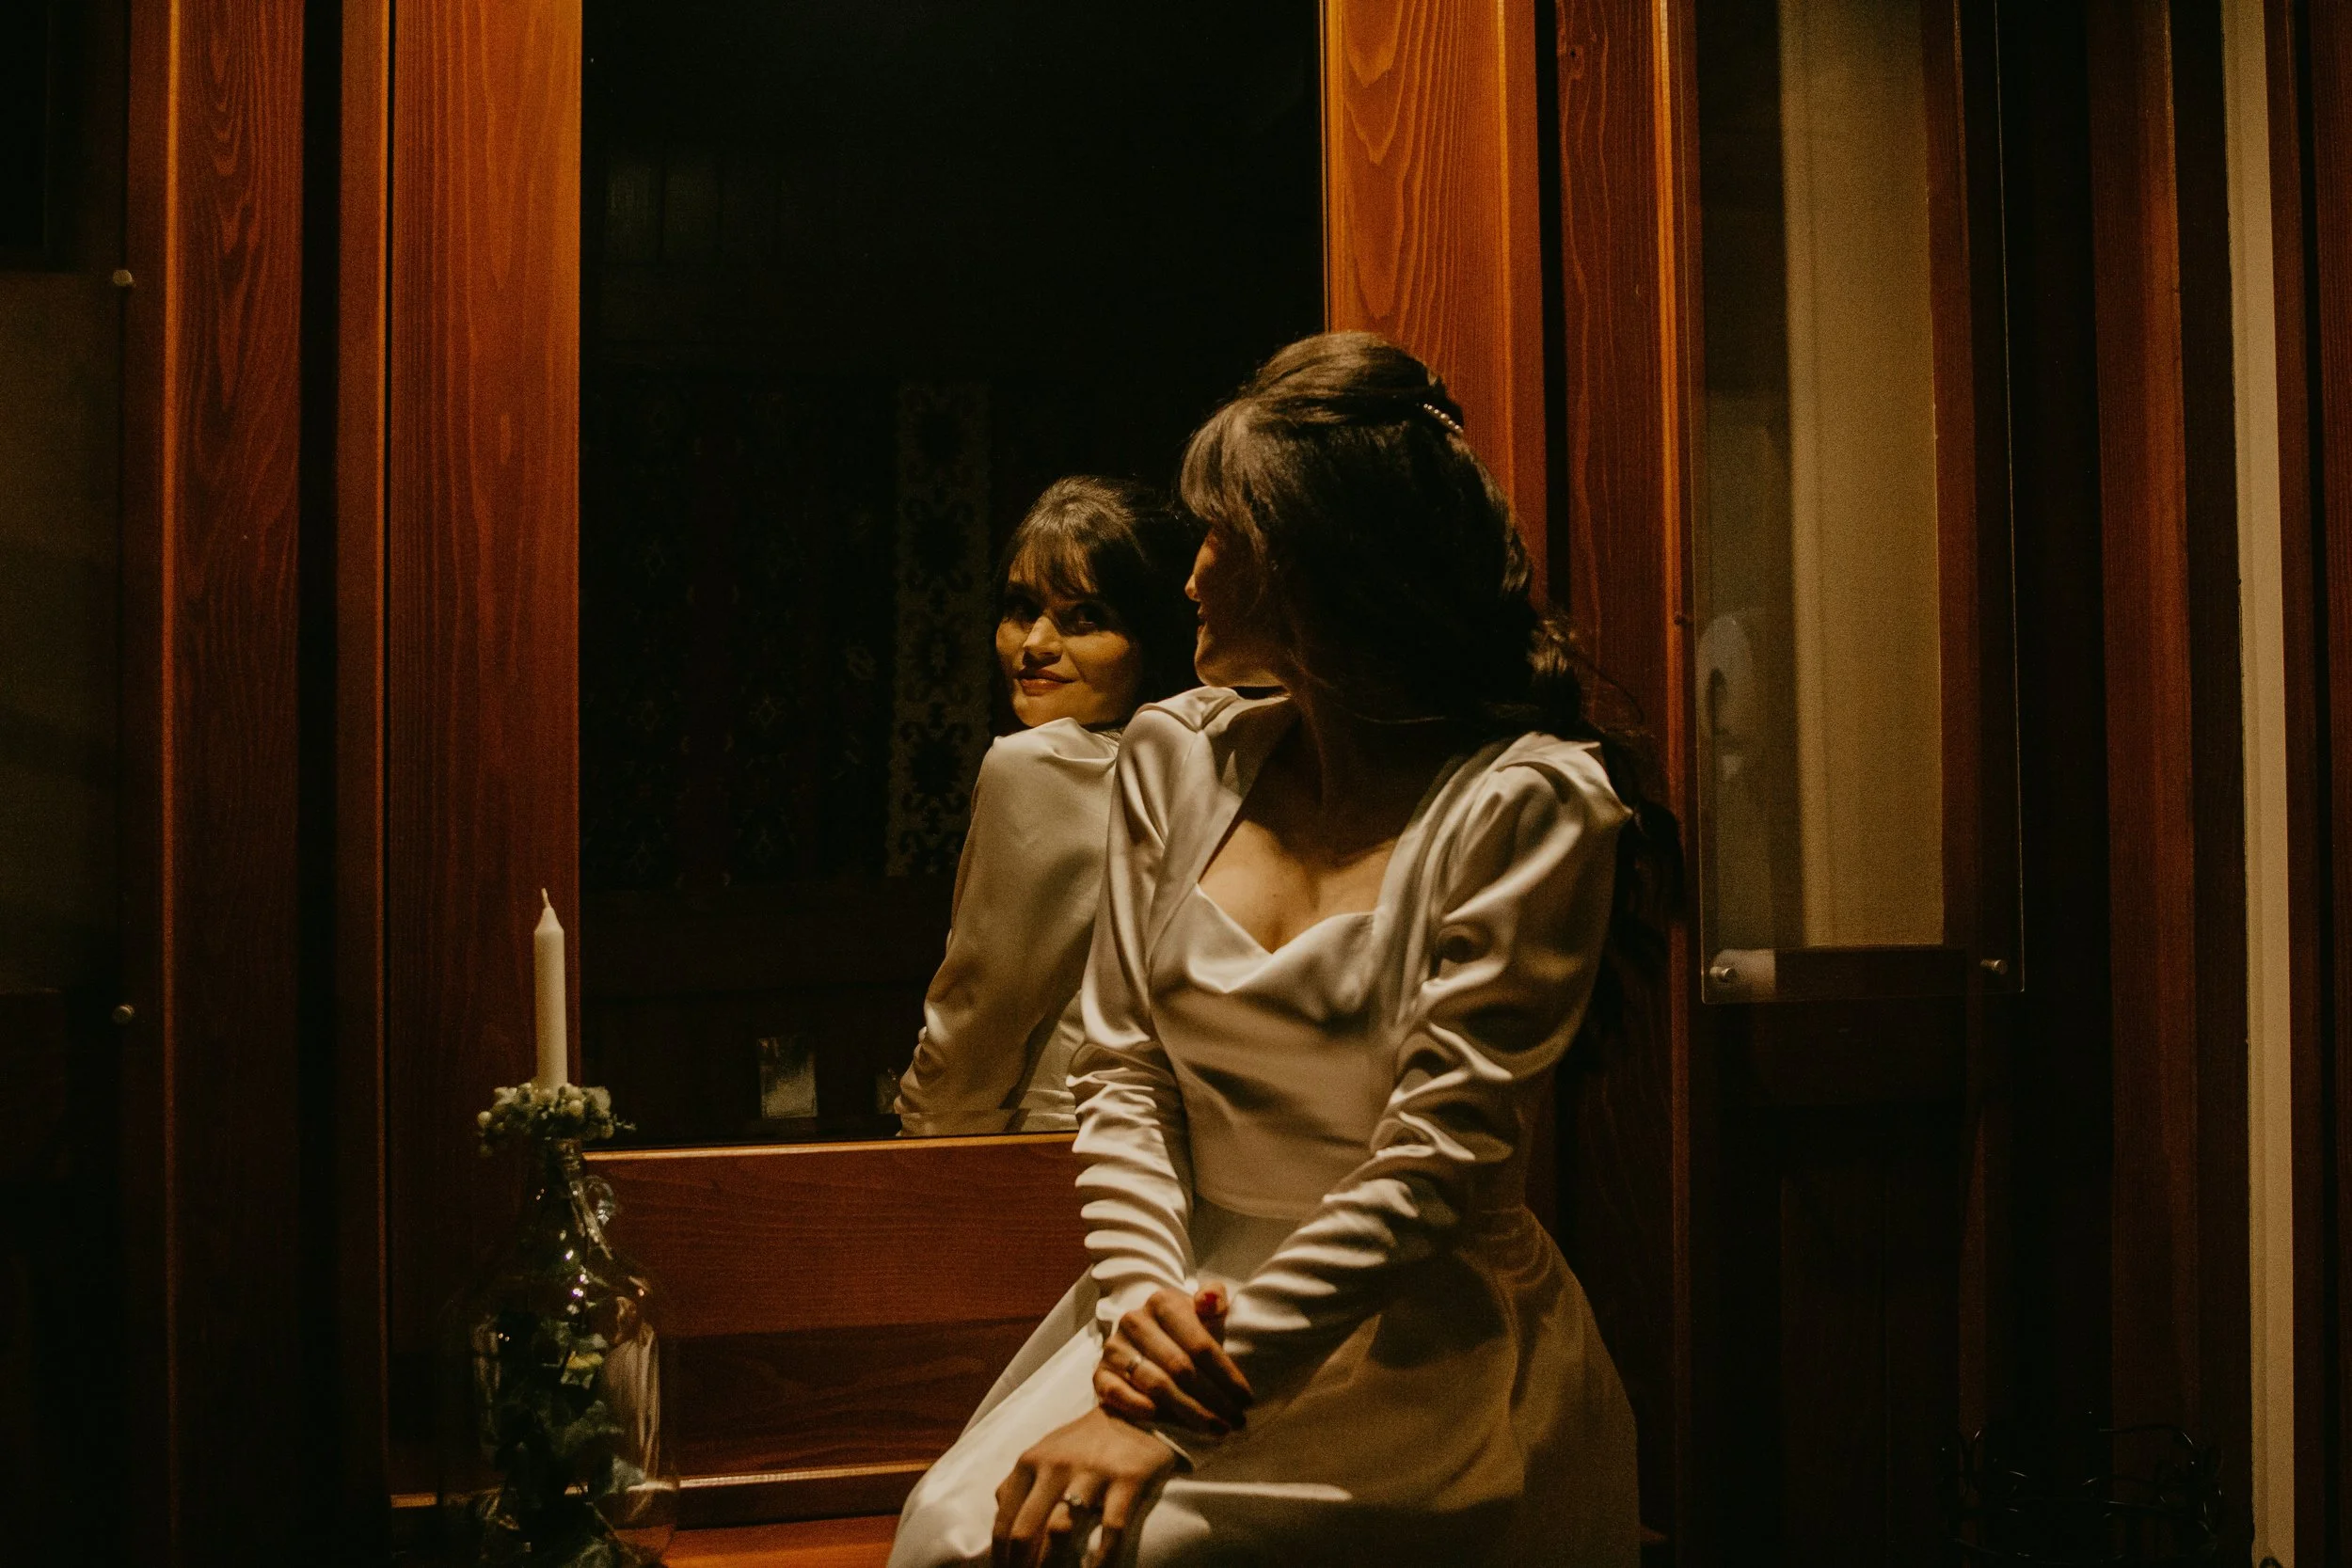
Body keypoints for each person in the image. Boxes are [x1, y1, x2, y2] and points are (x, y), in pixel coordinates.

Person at [888, 332, 1680, 1567]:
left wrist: (1185, 1399)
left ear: (1321, 572)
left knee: (1135, 1551)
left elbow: (1436, 1164)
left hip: (1416, 1346)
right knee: (956, 1531)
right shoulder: (1176, 758)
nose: (1191, 578)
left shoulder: (1528, 803)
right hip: (1171, 1301)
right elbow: (1124, 1069)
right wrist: (1146, 1311)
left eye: (1223, 540)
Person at [895, 477, 1203, 1136]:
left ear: (1146, 641)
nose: (1034, 643)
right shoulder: (1203, 754)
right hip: (1172, 1148)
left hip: (1052, 1142)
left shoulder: (1036, 765)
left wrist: (920, 1144)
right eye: (1020, 608)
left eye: (1084, 616)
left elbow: (979, 1012)